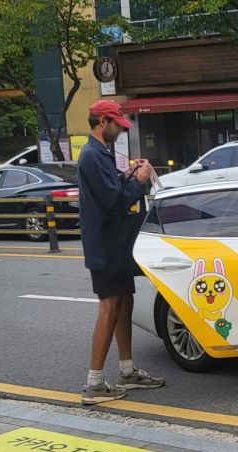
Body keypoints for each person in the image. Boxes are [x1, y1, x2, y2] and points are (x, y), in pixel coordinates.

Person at [78, 99, 165, 404]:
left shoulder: (100, 153)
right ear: (103, 122)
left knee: (124, 302)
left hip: (116, 242)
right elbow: (112, 201)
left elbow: (110, 189)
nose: (120, 130)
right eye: (117, 124)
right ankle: (94, 382)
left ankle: (127, 371)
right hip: (106, 244)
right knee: (109, 308)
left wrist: (126, 175)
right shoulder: (91, 155)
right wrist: (139, 183)